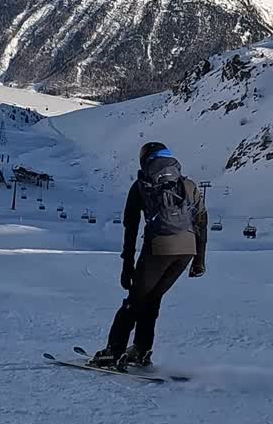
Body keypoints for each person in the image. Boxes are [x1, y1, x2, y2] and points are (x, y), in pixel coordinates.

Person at [89, 142, 208, 370]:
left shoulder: (141, 185)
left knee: (133, 302)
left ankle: (113, 352)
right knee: (152, 299)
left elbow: (130, 226)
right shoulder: (188, 185)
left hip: (158, 249)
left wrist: (127, 265)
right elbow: (202, 222)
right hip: (187, 250)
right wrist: (199, 260)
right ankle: (141, 350)